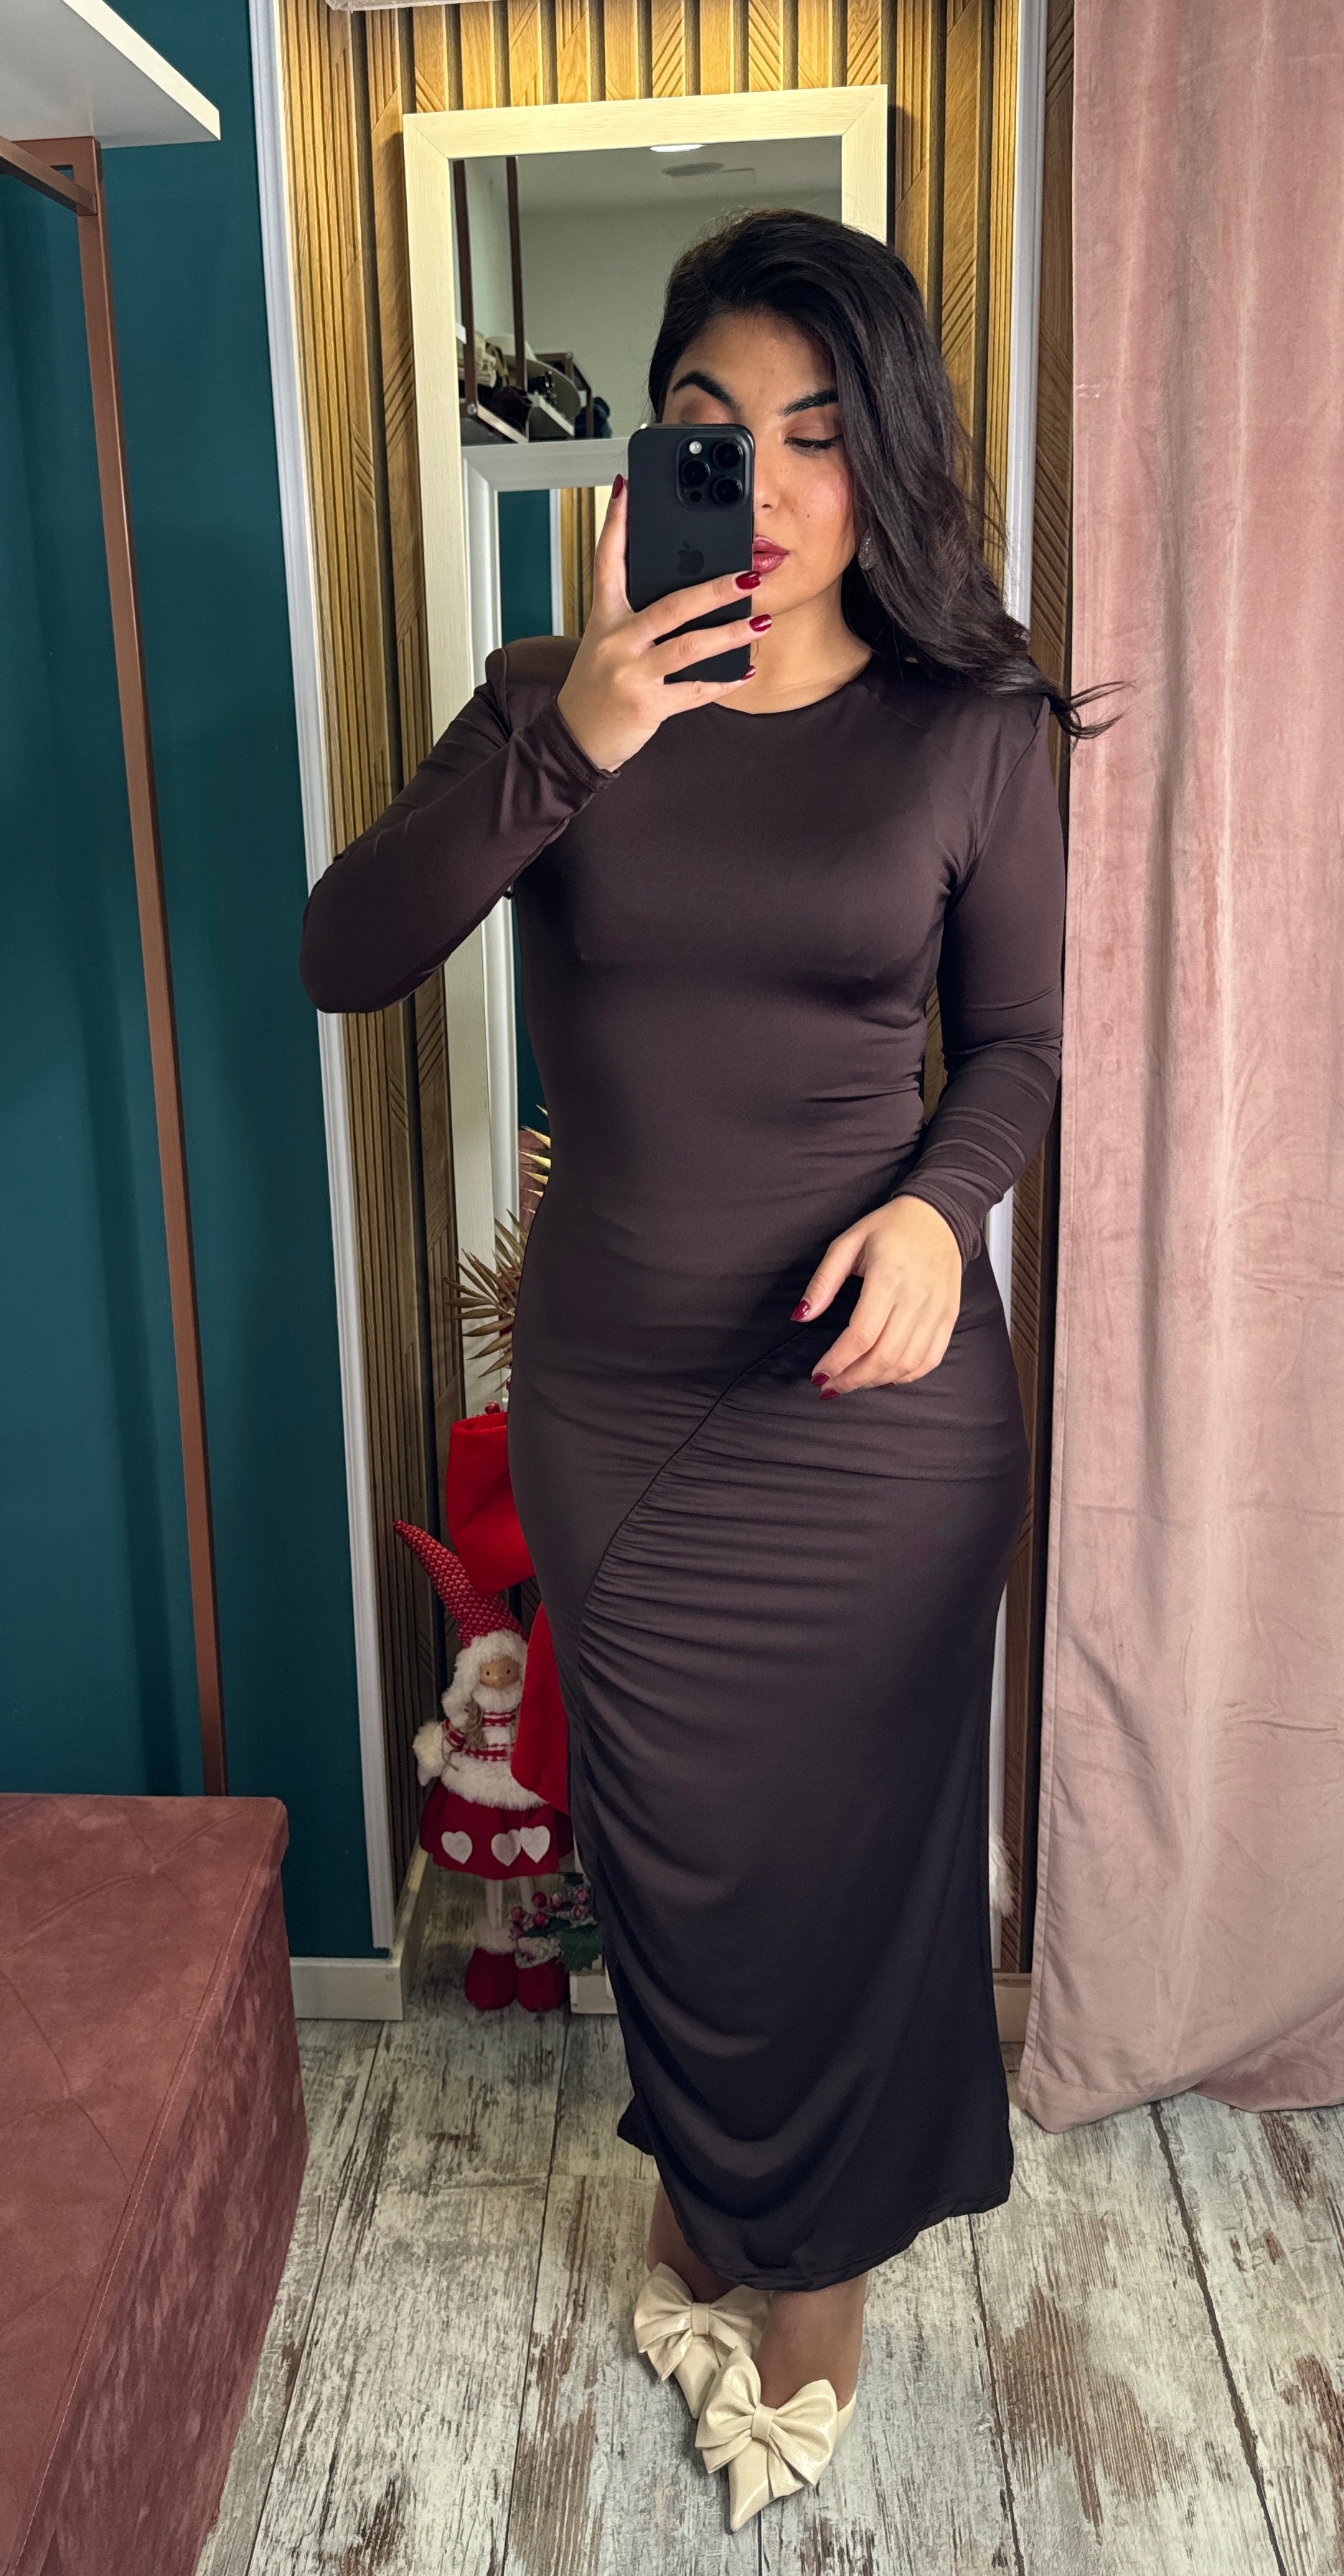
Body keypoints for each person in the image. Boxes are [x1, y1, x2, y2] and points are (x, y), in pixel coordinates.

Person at [299, 206, 1109, 2531]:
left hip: (875, 1406)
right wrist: (573, 739)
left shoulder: (971, 724)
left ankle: (812, 2284)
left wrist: (940, 1214)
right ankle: (709, 2195)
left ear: (886, 461)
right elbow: (346, 953)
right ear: (640, 455)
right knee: (669, 1861)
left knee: (847, 1866)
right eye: (707, 426)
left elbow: (1020, 1044)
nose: (761, 479)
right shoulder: (541, 693)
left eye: (816, 433)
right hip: (622, 1401)